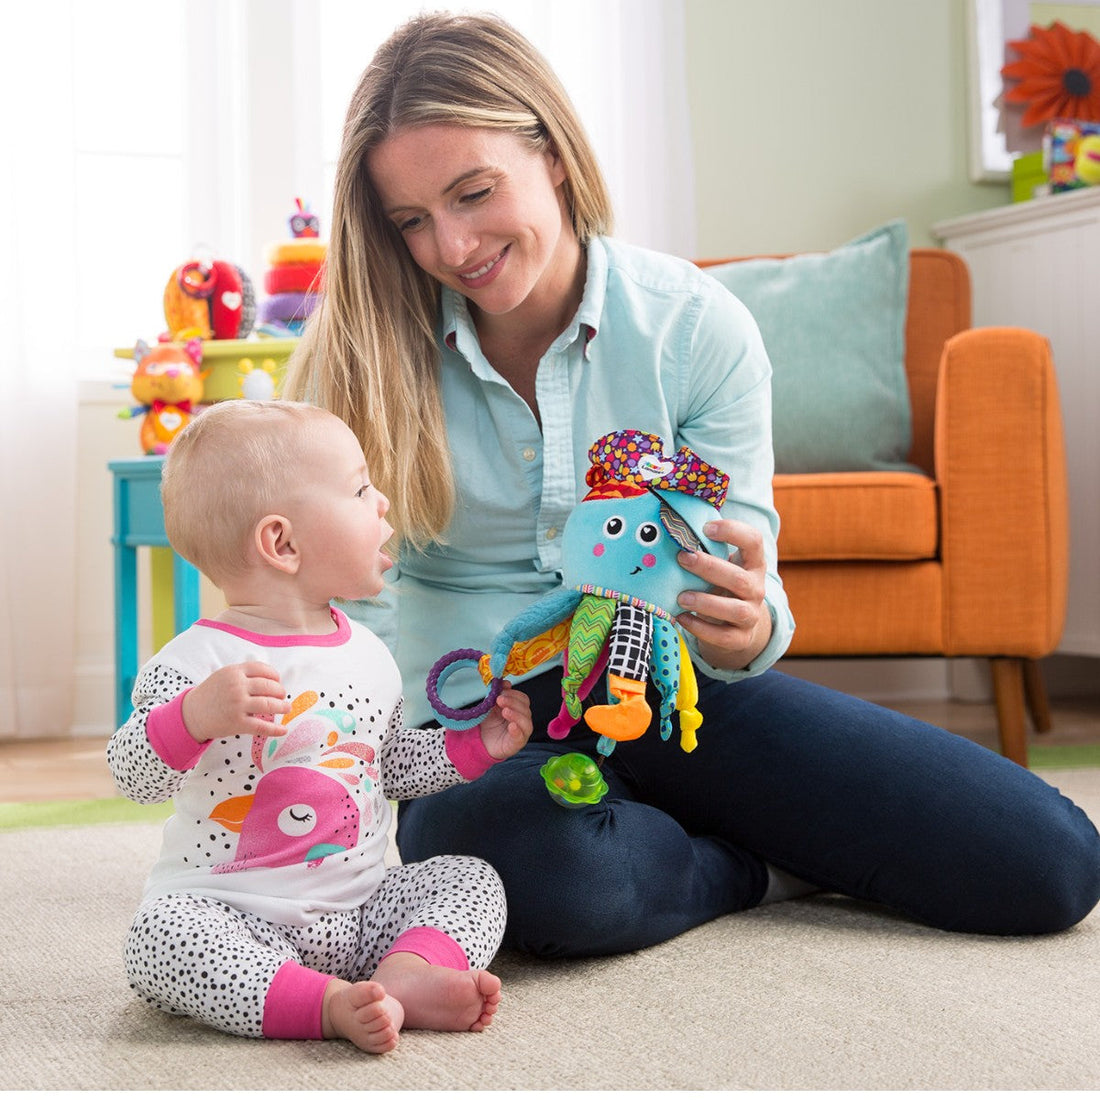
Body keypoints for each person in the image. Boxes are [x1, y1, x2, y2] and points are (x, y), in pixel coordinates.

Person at [284, 11, 1100, 958]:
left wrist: (751, 627)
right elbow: (345, 609)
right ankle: (748, 866)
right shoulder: (357, 358)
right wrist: (362, 765)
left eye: (474, 192)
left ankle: (658, 823)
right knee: (540, 869)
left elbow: (745, 570)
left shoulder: (696, 329)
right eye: (413, 221)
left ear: (553, 153)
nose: (454, 245)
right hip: (475, 722)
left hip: (667, 690)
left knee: (1049, 864)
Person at [107, 399, 533, 1053]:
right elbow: (130, 775)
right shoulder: (195, 663)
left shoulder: (369, 652)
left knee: (472, 880)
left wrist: (474, 747)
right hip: (235, 916)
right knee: (159, 939)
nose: (382, 502)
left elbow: (387, 766)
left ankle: (405, 974)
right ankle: (324, 1005)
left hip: (361, 913)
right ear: (282, 544)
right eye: (360, 490)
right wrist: (193, 716)